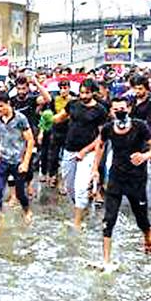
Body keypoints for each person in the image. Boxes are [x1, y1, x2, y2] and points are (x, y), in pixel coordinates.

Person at [92, 96, 151, 270]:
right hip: (116, 177)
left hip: (136, 179)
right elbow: (100, 145)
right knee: (109, 219)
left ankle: (148, 235)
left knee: (141, 218)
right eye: (116, 110)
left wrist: (144, 156)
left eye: (122, 109)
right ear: (111, 112)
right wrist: (94, 169)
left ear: (129, 109)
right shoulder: (108, 128)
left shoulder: (140, 126)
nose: (119, 112)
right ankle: (106, 261)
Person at [52, 79, 107, 230]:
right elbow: (60, 117)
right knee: (70, 186)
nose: (83, 96)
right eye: (81, 93)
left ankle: (77, 222)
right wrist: (49, 118)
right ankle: (82, 206)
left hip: (88, 152)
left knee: (81, 186)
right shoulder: (73, 104)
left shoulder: (100, 110)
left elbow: (101, 137)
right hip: (69, 149)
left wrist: (85, 151)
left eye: (87, 93)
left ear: (93, 93)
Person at [0, 91, 35, 234]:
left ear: (8, 103)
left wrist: (25, 162)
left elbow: (30, 140)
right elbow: (3, 139)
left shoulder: (20, 119)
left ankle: (27, 210)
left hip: (18, 161)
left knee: (20, 193)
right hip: (3, 160)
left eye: (1, 106)